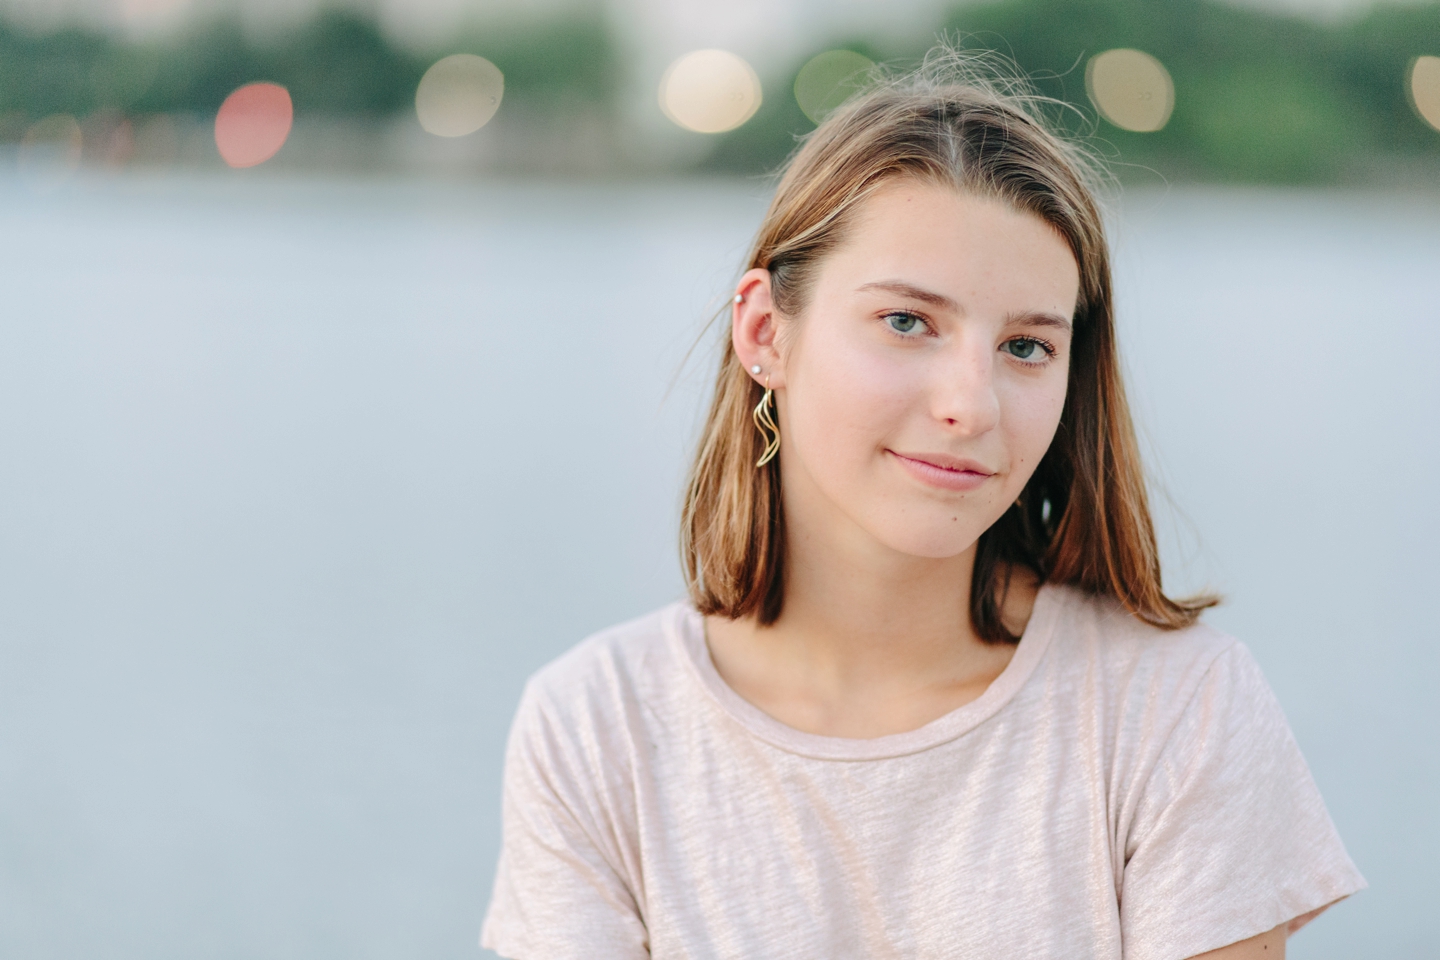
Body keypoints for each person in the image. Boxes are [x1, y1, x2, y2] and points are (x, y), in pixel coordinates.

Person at [480, 55, 1364, 959]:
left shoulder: (1175, 711)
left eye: (1026, 346)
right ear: (764, 333)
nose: (971, 403)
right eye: (907, 322)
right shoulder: (596, 730)